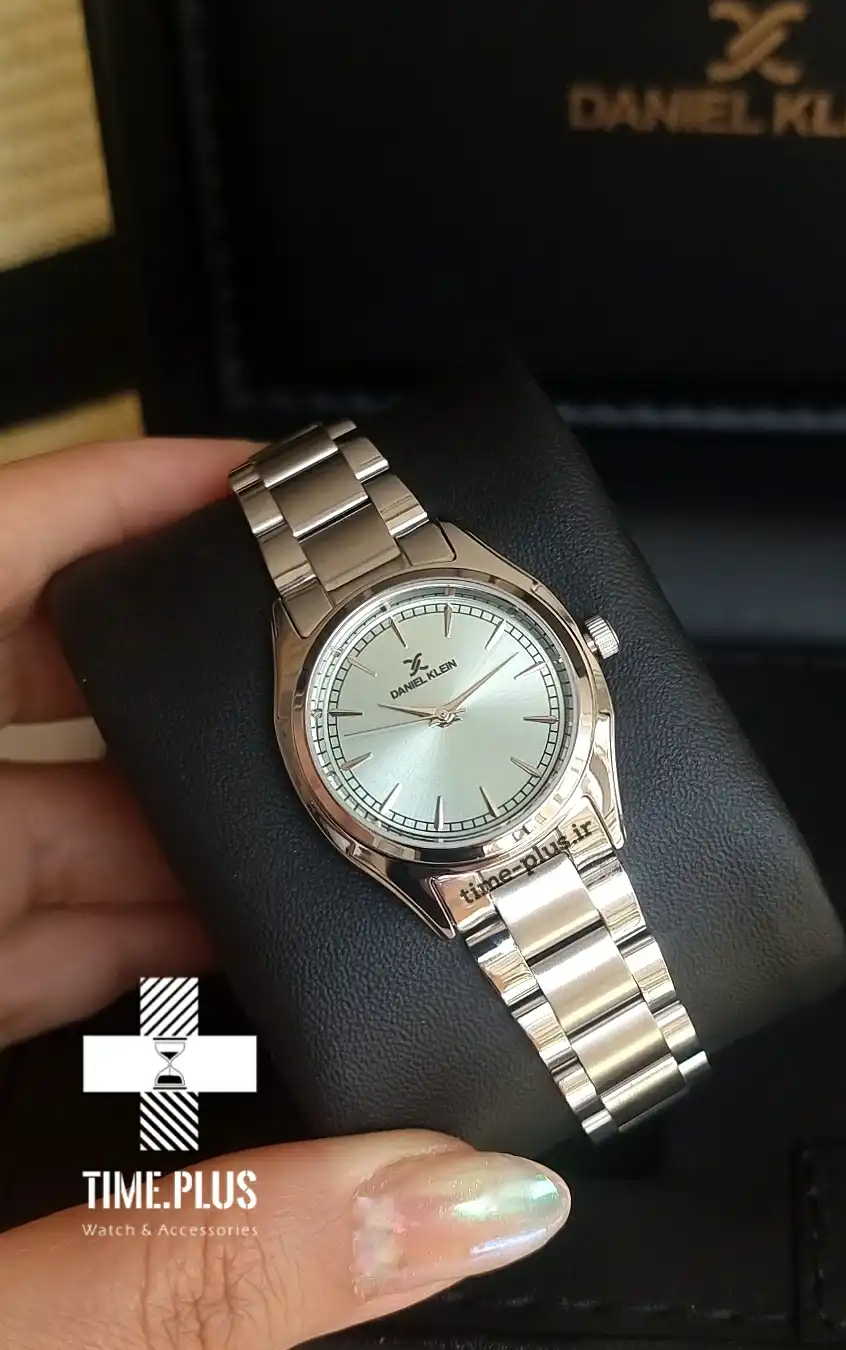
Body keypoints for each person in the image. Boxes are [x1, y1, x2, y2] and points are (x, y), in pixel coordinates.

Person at [0, 436, 571, 1349]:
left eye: (446, 708)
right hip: (417, 844)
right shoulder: (306, 688)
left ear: (581, 652)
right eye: (428, 716)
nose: (440, 714)